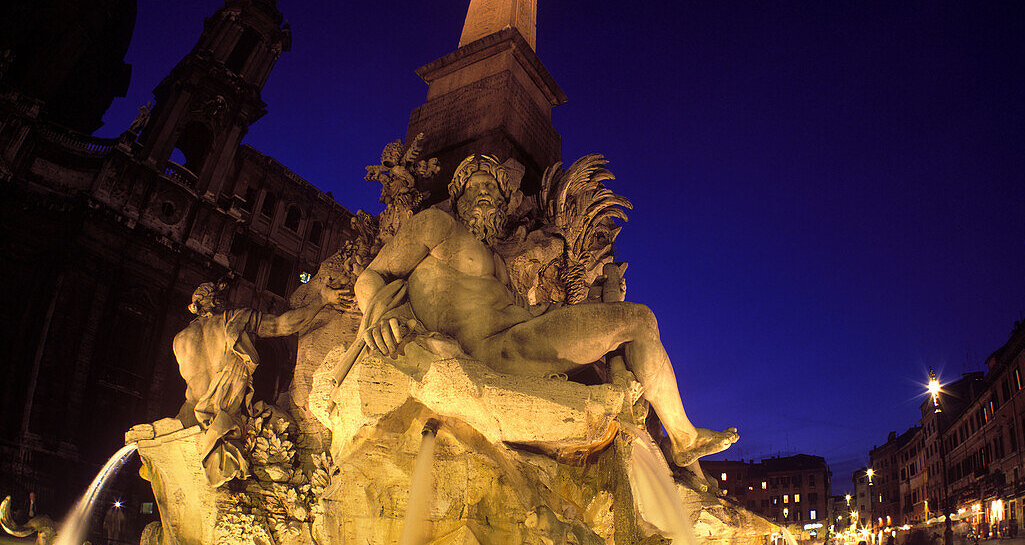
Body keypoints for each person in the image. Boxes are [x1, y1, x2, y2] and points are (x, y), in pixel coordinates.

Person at [339, 154, 739, 468]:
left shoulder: (495, 259)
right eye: (476, 186)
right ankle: (683, 438)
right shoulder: (434, 226)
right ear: (458, 195)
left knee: (637, 322)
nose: (486, 193)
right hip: (495, 352)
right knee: (639, 320)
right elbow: (372, 275)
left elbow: (518, 308)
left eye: (493, 189)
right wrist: (380, 316)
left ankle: (675, 439)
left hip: (523, 334)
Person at [173, 278, 353, 486]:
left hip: (189, 415)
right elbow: (284, 325)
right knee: (291, 430)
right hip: (225, 418)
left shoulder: (180, 338)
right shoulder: (234, 319)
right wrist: (323, 299)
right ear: (217, 302)